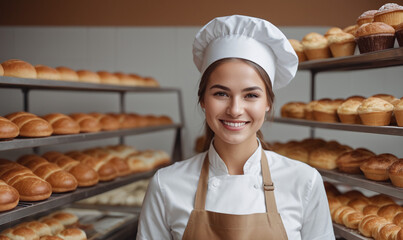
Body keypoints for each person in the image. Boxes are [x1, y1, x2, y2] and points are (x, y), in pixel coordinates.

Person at [136, 15, 335, 240]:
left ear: (267, 103)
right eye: (221, 93)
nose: (235, 109)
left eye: (251, 95)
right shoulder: (166, 185)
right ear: (203, 100)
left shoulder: (304, 182)